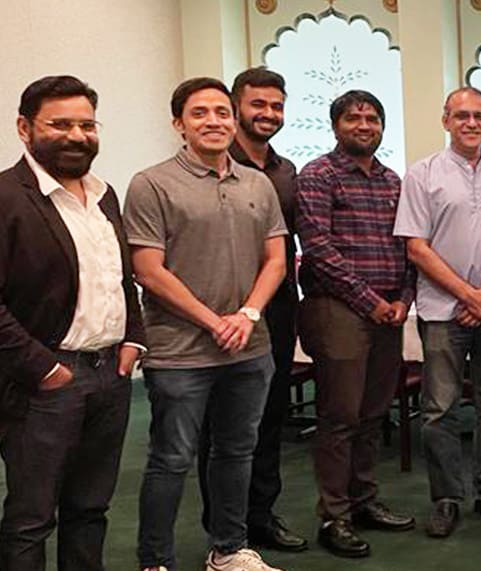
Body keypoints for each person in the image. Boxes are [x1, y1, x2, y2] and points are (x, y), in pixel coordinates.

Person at [125, 77, 288, 571]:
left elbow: (276, 260)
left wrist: (247, 314)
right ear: (179, 124)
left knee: (237, 453)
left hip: (249, 347)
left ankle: (228, 549)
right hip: (180, 353)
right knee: (171, 459)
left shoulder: (257, 183)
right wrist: (214, 321)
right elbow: (148, 270)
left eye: (222, 112)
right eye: (199, 113)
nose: (213, 121)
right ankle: (155, 560)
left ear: (233, 121)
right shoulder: (151, 184)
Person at [0, 75, 145, 571]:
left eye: (87, 125)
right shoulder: (6, 197)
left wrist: (134, 339)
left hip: (110, 377)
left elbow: (120, 276)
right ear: (24, 128)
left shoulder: (104, 196)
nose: (77, 136)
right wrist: (44, 369)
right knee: (31, 518)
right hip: (43, 383)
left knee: (90, 509)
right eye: (59, 125)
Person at [395, 87, 481, 538]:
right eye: (462, 116)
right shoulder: (422, 175)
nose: (471, 123)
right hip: (442, 311)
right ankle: (447, 497)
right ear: (446, 121)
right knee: (439, 409)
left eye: (479, 116)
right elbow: (416, 247)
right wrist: (468, 296)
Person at [296, 89, 418, 557]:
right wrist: (370, 302)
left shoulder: (392, 181)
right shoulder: (318, 176)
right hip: (339, 310)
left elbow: (409, 244)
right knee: (341, 416)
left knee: (373, 413)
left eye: (372, 118)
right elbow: (319, 249)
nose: (364, 126)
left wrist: (403, 299)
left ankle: (365, 500)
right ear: (335, 126)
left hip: (389, 311)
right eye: (353, 118)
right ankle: (335, 515)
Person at [193, 66, 308, 553]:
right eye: (257, 104)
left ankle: (261, 515)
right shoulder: (211, 164)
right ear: (237, 107)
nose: (268, 113)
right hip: (219, 314)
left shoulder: (285, 171)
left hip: (275, 311)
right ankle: (225, 528)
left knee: (269, 417)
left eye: (276, 106)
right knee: (221, 427)